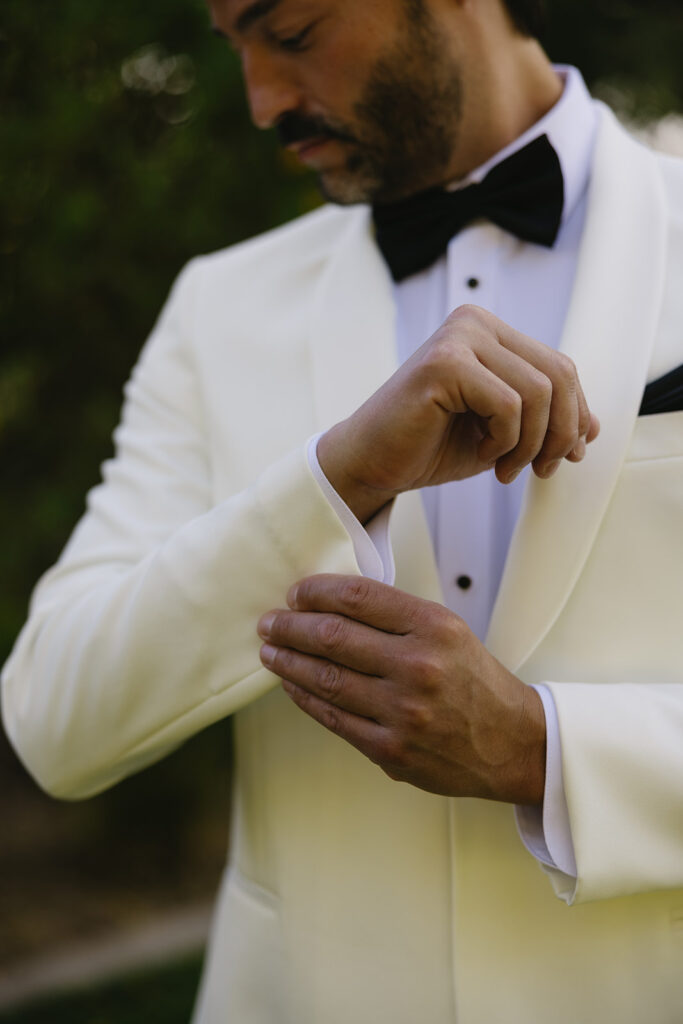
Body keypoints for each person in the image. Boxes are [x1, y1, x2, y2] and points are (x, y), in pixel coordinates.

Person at [3, 0, 683, 1019]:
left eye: (290, 32)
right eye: (232, 47)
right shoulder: (215, 308)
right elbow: (56, 716)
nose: (261, 101)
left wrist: (537, 749)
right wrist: (331, 481)